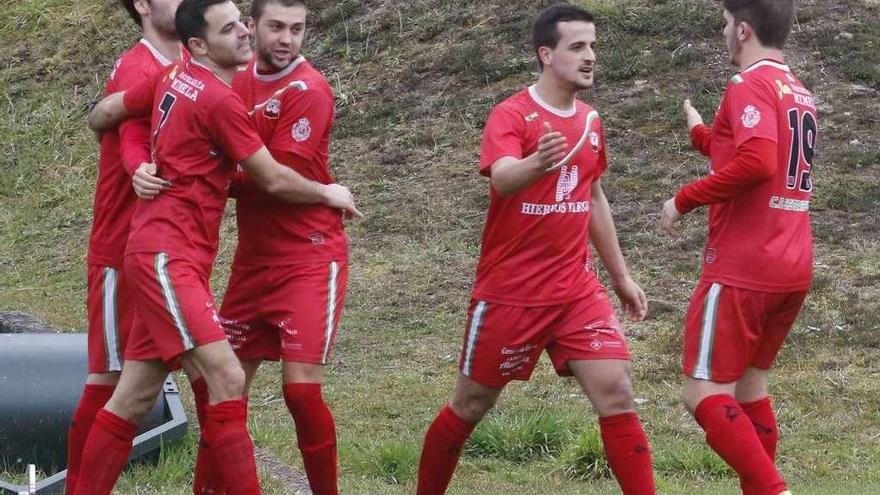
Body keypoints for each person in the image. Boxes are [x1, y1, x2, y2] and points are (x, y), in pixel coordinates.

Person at [74, 1, 360, 493]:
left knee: (133, 396)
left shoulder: (176, 74)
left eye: (243, 24)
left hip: (162, 251)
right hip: (168, 255)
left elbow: (119, 110)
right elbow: (269, 177)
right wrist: (327, 192)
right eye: (233, 29)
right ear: (200, 45)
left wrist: (141, 152)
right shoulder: (219, 98)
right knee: (226, 379)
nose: (246, 36)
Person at [416, 4, 655, 494]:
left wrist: (620, 277)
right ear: (546, 54)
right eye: (577, 47)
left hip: (575, 290)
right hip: (511, 294)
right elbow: (502, 178)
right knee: (471, 406)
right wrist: (536, 164)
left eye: (593, 47)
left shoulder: (590, 121)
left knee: (616, 393)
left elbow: (592, 196)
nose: (590, 57)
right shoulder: (512, 114)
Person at [192, 1, 348, 494]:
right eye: (276, 27)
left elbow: (275, 180)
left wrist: (198, 170)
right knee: (217, 387)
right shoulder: (232, 80)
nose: (286, 38)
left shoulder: (311, 90)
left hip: (309, 255)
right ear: (251, 27)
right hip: (253, 262)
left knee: (300, 392)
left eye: (297, 29)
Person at [659, 1, 814, 494]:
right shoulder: (798, 92)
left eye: (726, 25)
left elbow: (756, 162)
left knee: (701, 390)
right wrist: (700, 130)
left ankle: (774, 491)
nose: (724, 32)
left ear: (743, 29)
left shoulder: (749, 84)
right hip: (792, 262)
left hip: (744, 266)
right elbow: (740, 146)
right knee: (750, 388)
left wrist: (683, 200)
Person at [66, 1, 182, 493]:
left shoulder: (189, 65)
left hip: (169, 251)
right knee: (110, 382)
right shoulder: (138, 65)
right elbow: (111, 123)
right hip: (122, 249)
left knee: (203, 371)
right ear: (142, 5)